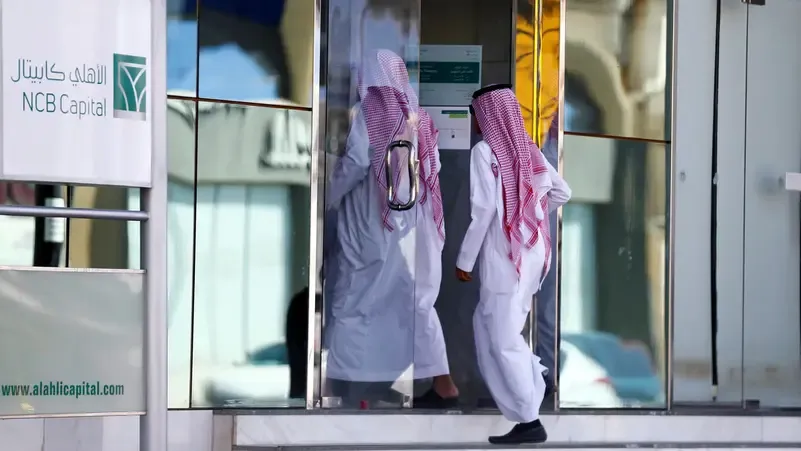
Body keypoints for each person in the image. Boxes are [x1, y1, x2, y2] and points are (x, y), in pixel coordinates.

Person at [323, 49, 459, 408]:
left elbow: (355, 161)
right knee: (402, 305)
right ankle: (389, 383)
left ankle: (338, 383)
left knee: (352, 299)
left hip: (369, 221)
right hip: (407, 226)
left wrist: (327, 195)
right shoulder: (418, 117)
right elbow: (433, 168)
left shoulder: (369, 112)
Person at [456, 84, 570, 444]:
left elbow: (483, 210)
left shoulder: (485, 151)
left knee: (503, 337)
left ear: (487, 115)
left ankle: (529, 418)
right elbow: (562, 192)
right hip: (530, 256)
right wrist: (529, 218)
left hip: (503, 257)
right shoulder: (527, 148)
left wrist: (465, 260)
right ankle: (531, 387)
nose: (474, 120)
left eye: (476, 113)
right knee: (490, 326)